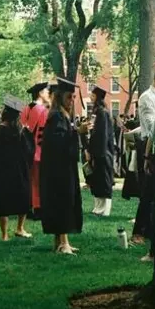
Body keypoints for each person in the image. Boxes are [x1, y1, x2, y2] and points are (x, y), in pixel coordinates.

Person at [40, 77, 83, 255]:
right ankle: (63, 242)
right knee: (62, 202)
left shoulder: (61, 115)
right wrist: (77, 133)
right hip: (58, 170)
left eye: (73, 97)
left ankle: (60, 241)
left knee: (64, 202)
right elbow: (58, 142)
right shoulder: (57, 116)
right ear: (59, 97)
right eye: (69, 97)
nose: (72, 101)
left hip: (61, 168)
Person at [0, 96, 33, 240]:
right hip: (19, 169)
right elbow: (29, 151)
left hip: (2, 170)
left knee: (2, 201)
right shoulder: (22, 131)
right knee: (23, 197)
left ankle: (4, 234)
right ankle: (20, 228)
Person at [132, 64, 155, 245]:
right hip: (147, 144)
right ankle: (139, 231)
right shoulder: (147, 98)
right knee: (147, 191)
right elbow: (151, 125)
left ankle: (152, 228)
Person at [21, 82, 49, 219]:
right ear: (40, 94)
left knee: (29, 180)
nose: (48, 94)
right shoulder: (42, 110)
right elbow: (43, 135)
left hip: (26, 151)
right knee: (38, 181)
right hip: (39, 152)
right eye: (46, 91)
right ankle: (38, 209)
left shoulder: (26, 108)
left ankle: (28, 207)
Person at [87, 85, 115, 217]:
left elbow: (102, 135)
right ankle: (98, 207)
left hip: (103, 152)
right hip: (98, 152)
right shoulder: (98, 112)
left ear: (97, 97)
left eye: (93, 95)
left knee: (104, 181)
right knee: (97, 181)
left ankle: (104, 210)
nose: (91, 97)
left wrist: (100, 153)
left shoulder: (103, 113)